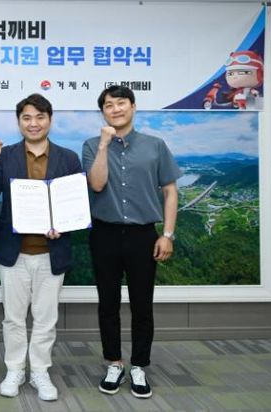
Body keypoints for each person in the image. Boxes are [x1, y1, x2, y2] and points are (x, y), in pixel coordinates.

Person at [82, 85, 181, 399]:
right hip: (105, 234)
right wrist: (103, 145)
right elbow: (97, 184)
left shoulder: (155, 145)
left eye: (121, 103)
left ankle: (139, 366)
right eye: (108, 105)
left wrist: (167, 234)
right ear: (103, 113)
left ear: (133, 107)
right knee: (108, 304)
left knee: (142, 304)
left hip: (142, 235)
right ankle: (114, 363)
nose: (116, 109)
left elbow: (170, 191)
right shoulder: (91, 145)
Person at [0, 93, 83, 401]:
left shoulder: (68, 158)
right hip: (13, 253)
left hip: (52, 252)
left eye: (40, 117)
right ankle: (15, 369)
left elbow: (74, 203)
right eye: (26, 118)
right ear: (19, 122)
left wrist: (63, 224)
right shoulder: (6, 155)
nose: (33, 123)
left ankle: (40, 371)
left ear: (50, 120)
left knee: (45, 319)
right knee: (13, 318)